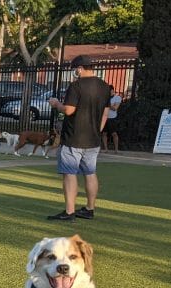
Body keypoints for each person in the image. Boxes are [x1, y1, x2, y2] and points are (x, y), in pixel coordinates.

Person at [46, 55, 112, 221]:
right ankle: (89, 209)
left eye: (74, 68)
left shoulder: (76, 86)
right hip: (93, 139)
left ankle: (69, 212)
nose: (73, 71)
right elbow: (105, 112)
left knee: (69, 174)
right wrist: (97, 130)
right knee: (90, 173)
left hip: (73, 137)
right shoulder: (104, 87)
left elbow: (68, 110)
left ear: (79, 68)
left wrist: (55, 104)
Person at [101, 85, 121, 153]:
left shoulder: (117, 98)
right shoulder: (104, 98)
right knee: (104, 134)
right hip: (105, 117)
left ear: (112, 91)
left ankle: (116, 149)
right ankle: (106, 149)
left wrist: (107, 103)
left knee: (114, 134)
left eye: (109, 91)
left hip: (112, 118)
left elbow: (115, 108)